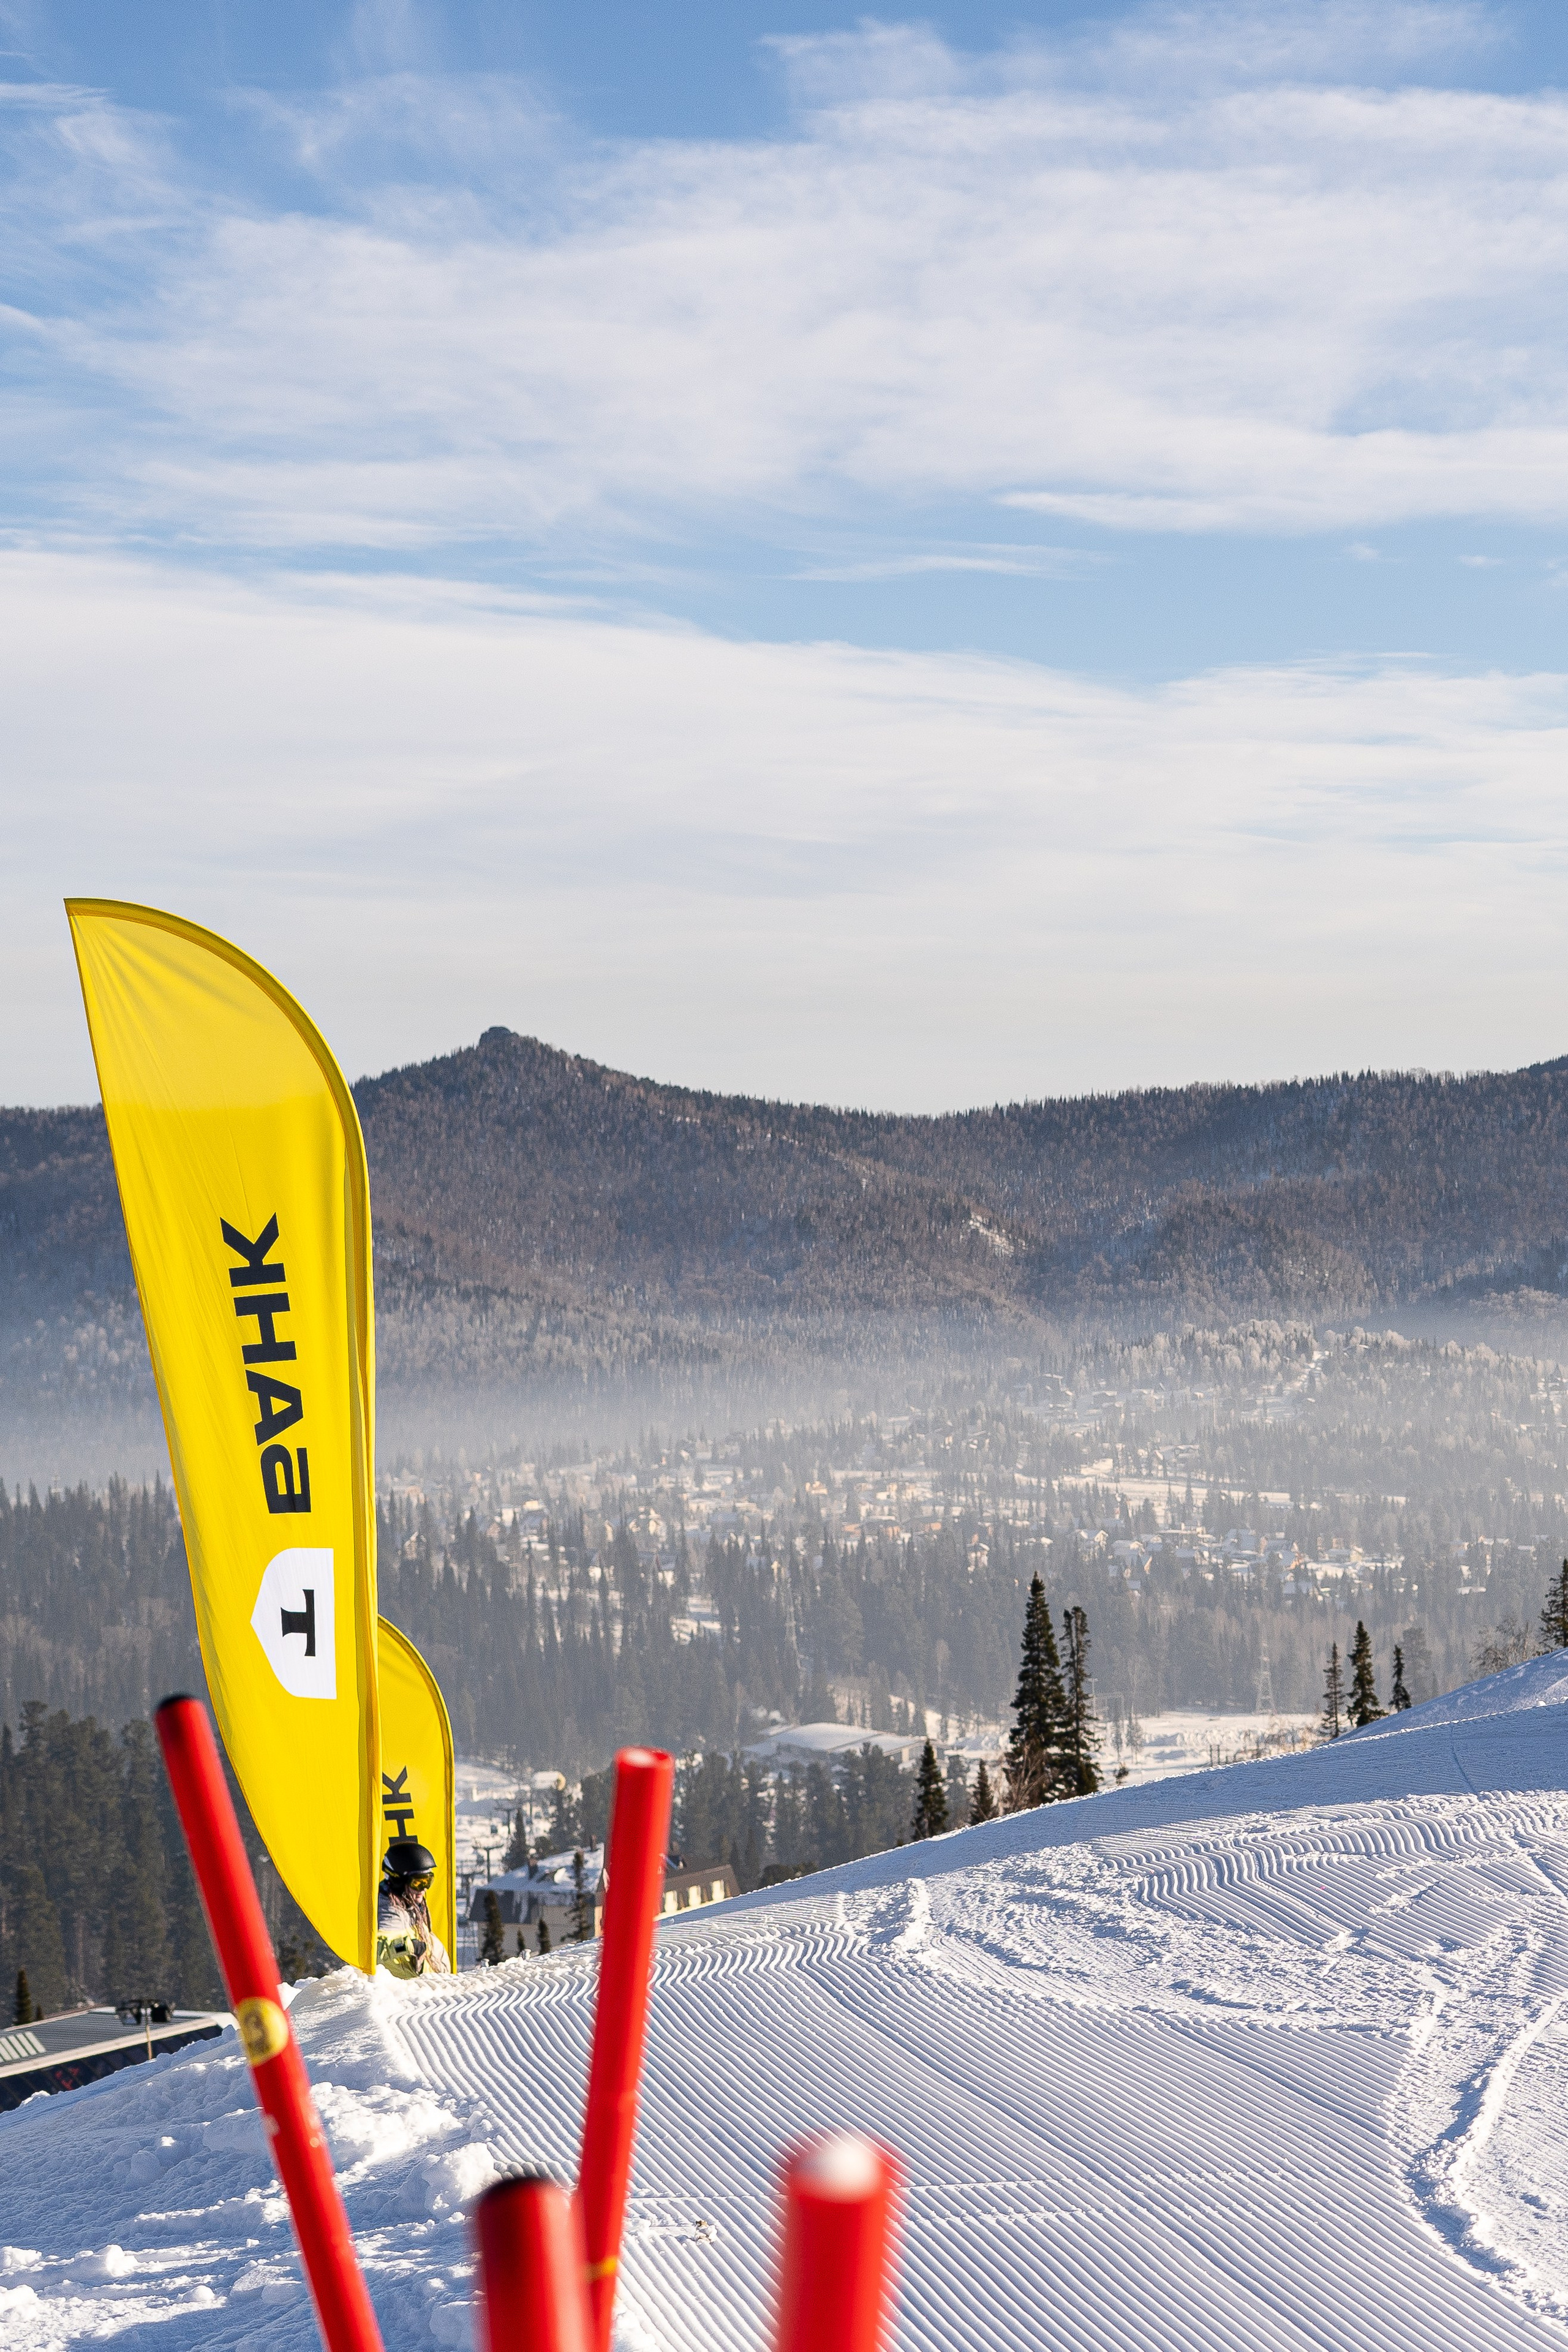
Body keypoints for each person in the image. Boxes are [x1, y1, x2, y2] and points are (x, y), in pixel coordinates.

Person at [375, 1838, 452, 1978]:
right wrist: (409, 1946)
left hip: (425, 1987)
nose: (423, 1889)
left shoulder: (410, 1905)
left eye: (428, 1881)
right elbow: (376, 1952)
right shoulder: (386, 1912)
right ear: (398, 1881)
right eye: (418, 1883)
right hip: (403, 1992)